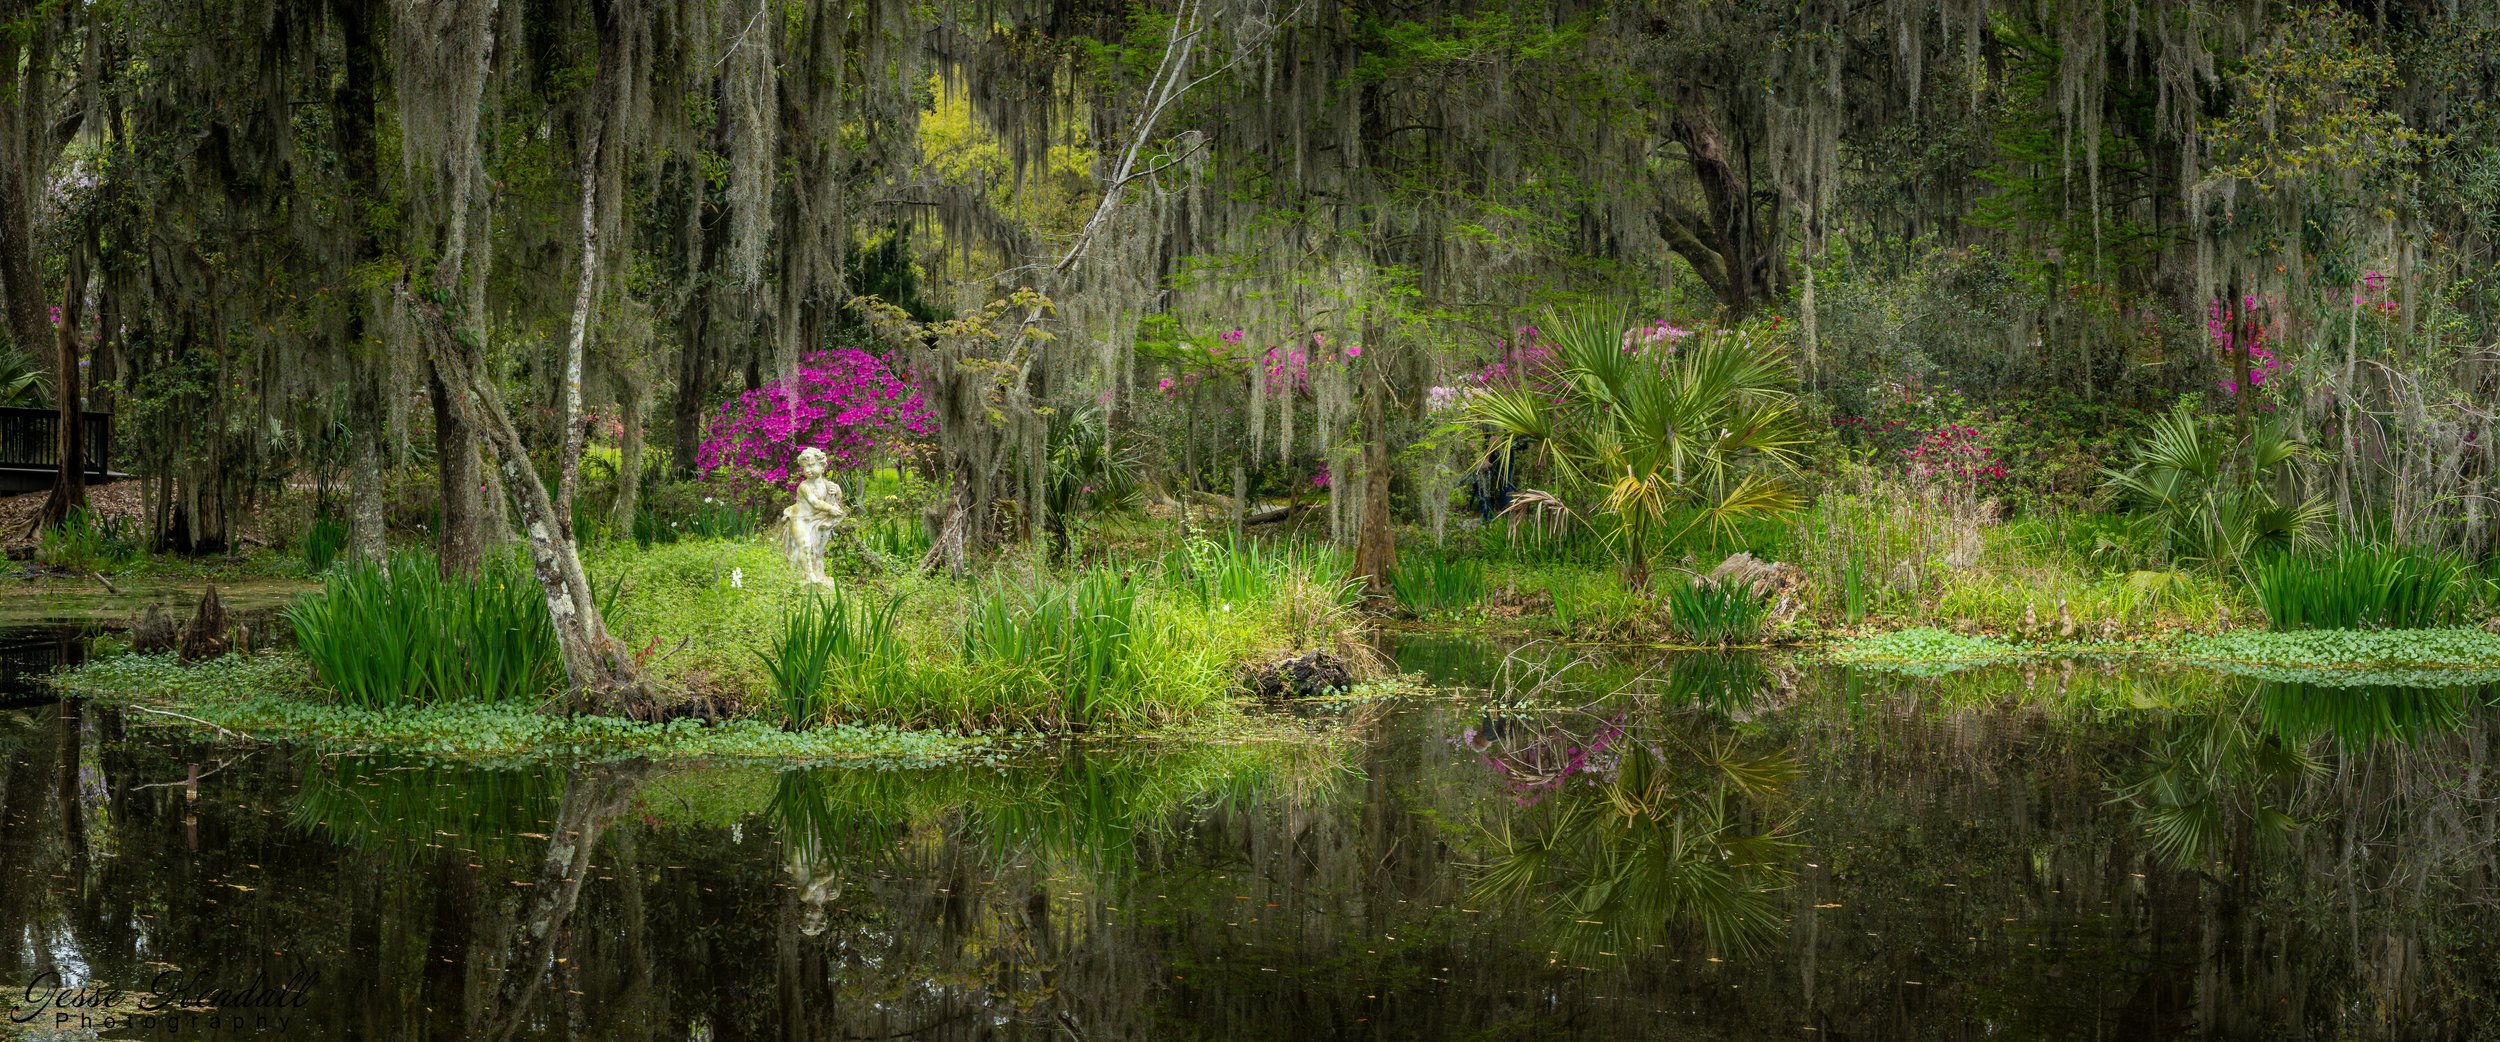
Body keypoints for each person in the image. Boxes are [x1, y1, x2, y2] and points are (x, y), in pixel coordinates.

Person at [777, 447, 845, 583]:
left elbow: (838, 499)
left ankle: (819, 574)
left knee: (818, 550)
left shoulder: (826, 484)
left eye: (811, 465)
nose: (807, 470)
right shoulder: (804, 486)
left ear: (821, 465)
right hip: (800, 519)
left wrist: (837, 491)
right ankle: (808, 575)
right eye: (804, 467)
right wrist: (830, 508)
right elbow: (815, 502)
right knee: (805, 545)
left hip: (817, 519)